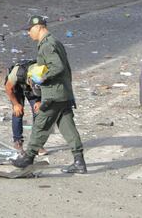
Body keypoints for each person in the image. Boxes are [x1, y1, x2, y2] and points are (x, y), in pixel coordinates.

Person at [11, 15, 87, 174]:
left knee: (40, 124)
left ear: (38, 27)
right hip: (63, 92)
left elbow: (58, 67)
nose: (28, 33)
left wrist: (41, 78)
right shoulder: (54, 41)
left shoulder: (47, 45)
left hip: (54, 93)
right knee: (67, 127)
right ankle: (79, 161)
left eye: (29, 30)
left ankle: (29, 157)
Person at [4, 59, 45, 154]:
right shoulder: (17, 73)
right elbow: (8, 88)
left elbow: (47, 91)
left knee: (39, 112)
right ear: (30, 80)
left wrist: (39, 101)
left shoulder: (44, 74)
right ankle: (17, 142)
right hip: (17, 85)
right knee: (18, 113)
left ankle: (36, 144)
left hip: (33, 88)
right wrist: (16, 104)